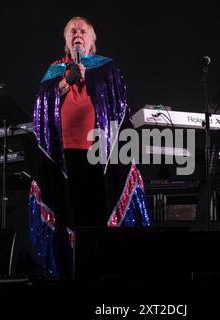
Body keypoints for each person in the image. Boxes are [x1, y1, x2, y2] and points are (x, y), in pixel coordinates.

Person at [28, 17, 151, 276]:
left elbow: (119, 110)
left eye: (83, 31)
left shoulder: (106, 68)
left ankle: (100, 272)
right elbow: (40, 106)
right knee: (69, 212)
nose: (77, 34)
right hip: (64, 158)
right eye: (72, 31)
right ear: (65, 41)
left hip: (99, 155)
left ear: (92, 41)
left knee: (96, 213)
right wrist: (65, 81)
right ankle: (70, 270)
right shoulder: (55, 70)